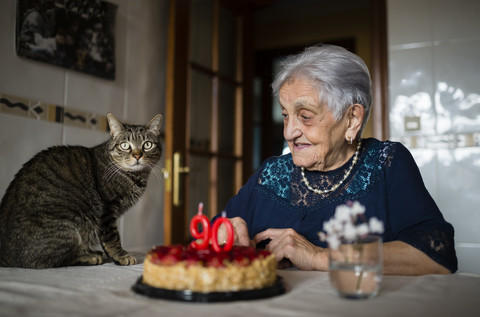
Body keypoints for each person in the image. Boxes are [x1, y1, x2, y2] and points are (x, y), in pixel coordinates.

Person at [215, 44, 457, 275]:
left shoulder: (386, 164)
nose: (289, 132)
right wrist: (224, 238)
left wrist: (319, 257)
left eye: (306, 116)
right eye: (286, 115)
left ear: (352, 119)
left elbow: (436, 254)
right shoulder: (271, 173)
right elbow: (210, 234)